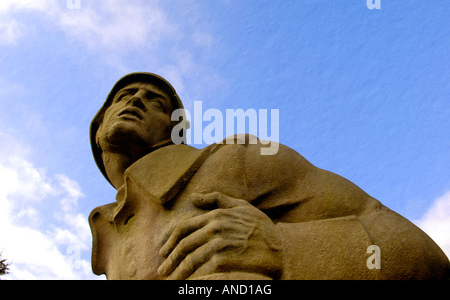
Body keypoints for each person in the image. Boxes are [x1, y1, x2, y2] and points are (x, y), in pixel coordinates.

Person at [89, 72, 450, 280]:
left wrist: (283, 248)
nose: (134, 101)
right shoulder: (107, 239)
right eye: (124, 95)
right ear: (100, 124)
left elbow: (420, 254)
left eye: (154, 102)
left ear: (175, 131)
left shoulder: (235, 158)